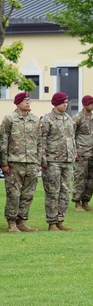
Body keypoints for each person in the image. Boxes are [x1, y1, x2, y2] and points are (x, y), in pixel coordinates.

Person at [2, 91, 40, 232]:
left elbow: (39, 142)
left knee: (28, 194)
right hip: (14, 162)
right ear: (18, 103)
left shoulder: (35, 120)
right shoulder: (9, 119)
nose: (28, 102)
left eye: (29, 100)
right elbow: (3, 142)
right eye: (25, 100)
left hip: (31, 162)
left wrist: (38, 162)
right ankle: (11, 222)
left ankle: (22, 221)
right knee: (14, 193)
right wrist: (4, 163)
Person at [39, 91, 76, 231]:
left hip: (67, 160)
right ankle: (52, 222)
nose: (65, 105)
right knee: (53, 192)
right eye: (62, 103)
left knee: (65, 191)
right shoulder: (47, 119)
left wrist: (74, 154)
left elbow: (72, 139)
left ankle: (60, 220)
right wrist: (43, 159)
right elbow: (42, 140)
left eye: (66, 102)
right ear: (55, 104)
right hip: (53, 160)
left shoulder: (68, 118)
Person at [72, 94, 93, 211]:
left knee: (91, 178)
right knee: (80, 177)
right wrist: (74, 152)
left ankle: (86, 201)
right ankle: (77, 202)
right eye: (90, 104)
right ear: (84, 105)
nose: (92, 105)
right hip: (82, 152)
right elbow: (71, 136)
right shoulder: (77, 118)